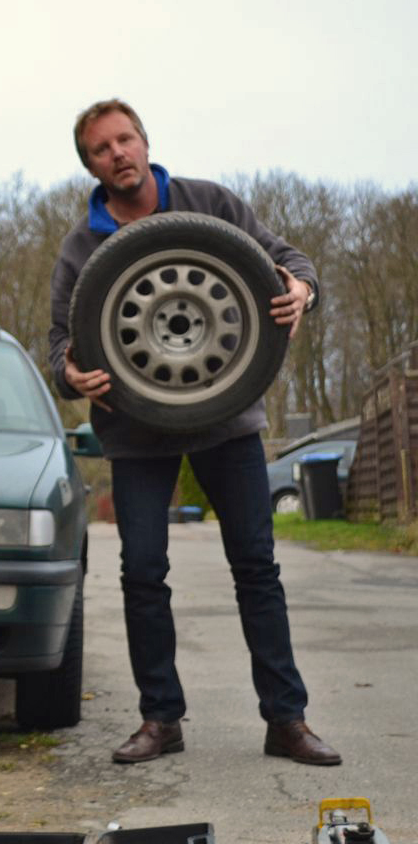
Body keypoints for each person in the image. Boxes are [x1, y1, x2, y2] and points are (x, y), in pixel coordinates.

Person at [48, 99, 341, 766]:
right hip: (132, 426)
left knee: (256, 568)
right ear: (89, 165)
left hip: (226, 416)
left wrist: (302, 289)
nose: (116, 153)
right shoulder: (81, 247)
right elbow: (59, 345)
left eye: (124, 139)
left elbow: (290, 261)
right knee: (143, 571)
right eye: (101, 148)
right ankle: (161, 720)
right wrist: (70, 372)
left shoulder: (209, 202)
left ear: (144, 143)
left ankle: (286, 720)